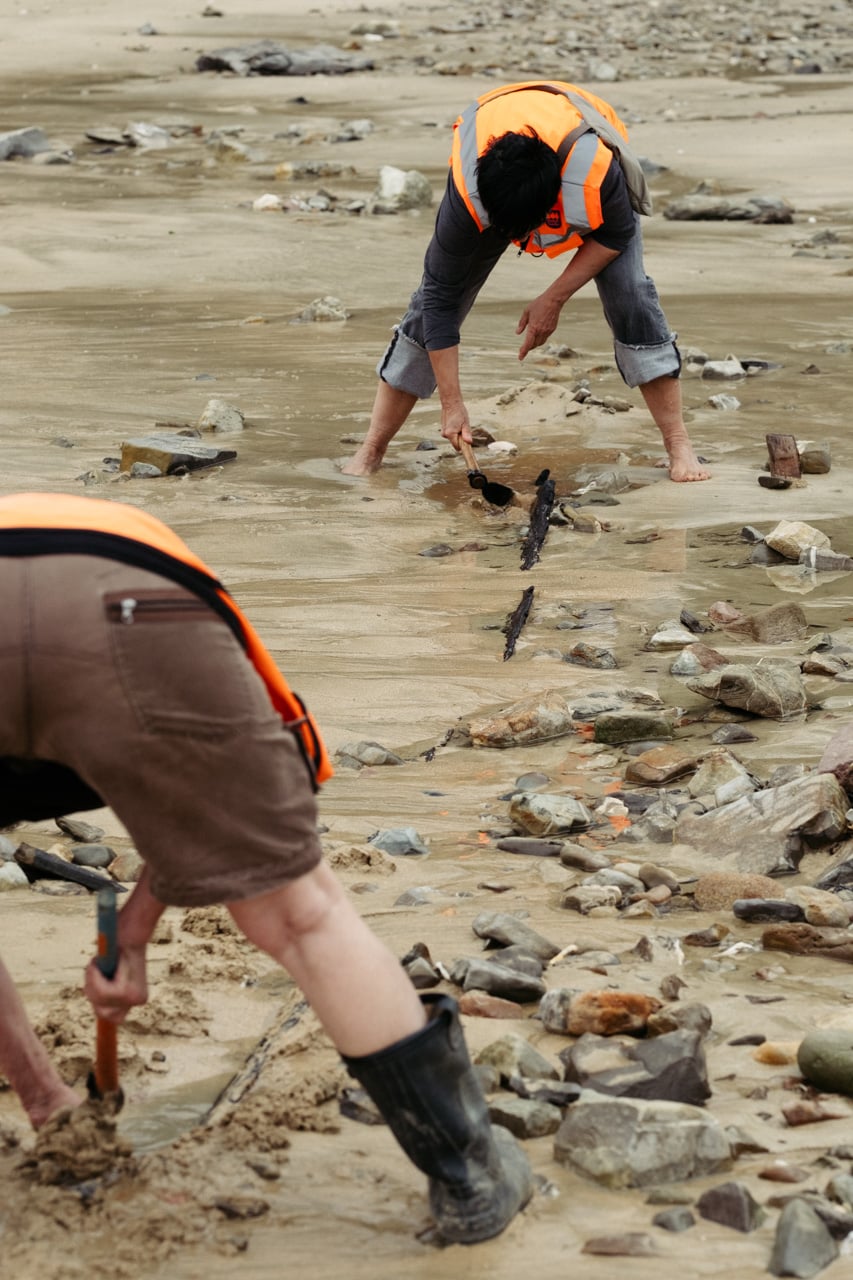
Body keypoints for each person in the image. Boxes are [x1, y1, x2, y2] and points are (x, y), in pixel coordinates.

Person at [0, 491, 531, 1244]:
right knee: (302, 914)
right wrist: (135, 932)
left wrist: (134, 935)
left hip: (115, 587)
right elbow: (203, 810)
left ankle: (46, 1106)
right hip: (132, 599)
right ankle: (471, 1181)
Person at [343, 79, 710, 484]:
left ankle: (678, 443)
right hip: (502, 175)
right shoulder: (467, 196)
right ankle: (372, 449)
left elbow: (616, 235)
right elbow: (440, 300)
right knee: (426, 308)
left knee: (632, 295)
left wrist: (553, 298)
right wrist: (452, 404)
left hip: (581, 143)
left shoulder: (594, 169)